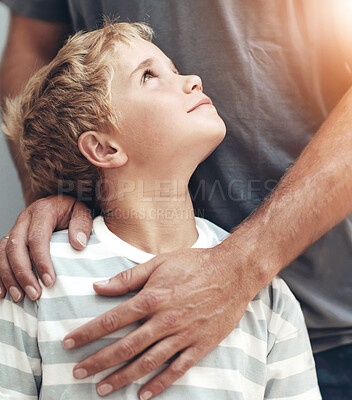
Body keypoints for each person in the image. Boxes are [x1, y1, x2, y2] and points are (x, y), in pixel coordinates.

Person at [0, 1, 351, 399]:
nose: (194, 79)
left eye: (175, 68)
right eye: (149, 76)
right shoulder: (35, 284)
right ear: (102, 147)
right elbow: (28, 41)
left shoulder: (268, 301)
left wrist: (246, 267)